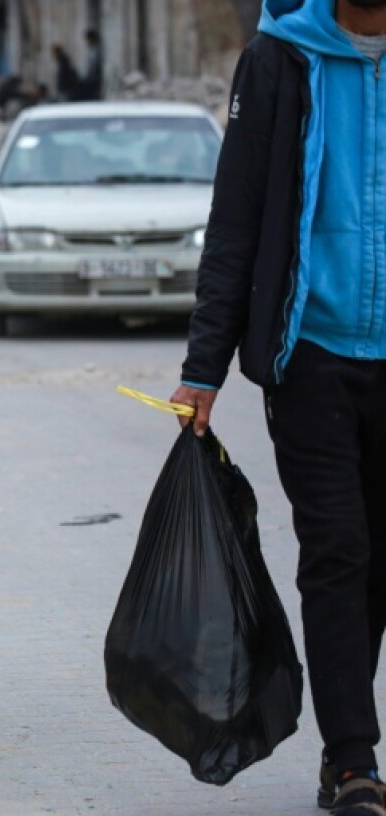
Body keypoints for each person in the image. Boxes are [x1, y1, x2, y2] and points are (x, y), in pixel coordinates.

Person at [169, 2, 386, 814]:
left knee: (377, 563)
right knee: (337, 548)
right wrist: (204, 369)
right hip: (312, 355)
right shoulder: (278, 59)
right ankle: (354, 758)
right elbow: (238, 215)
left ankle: (343, 737)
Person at [76, 28, 104, 101]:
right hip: (90, 79)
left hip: (93, 80)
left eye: (88, 39)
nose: (87, 42)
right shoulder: (91, 50)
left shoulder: (96, 51)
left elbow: (94, 67)